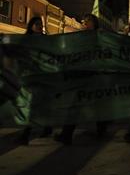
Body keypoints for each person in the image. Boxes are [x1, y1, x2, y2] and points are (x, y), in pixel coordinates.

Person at [54, 14, 108, 145]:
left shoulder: (98, 37)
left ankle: (99, 130)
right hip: (82, 75)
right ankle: (67, 134)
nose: (85, 23)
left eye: (88, 21)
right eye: (85, 21)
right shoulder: (82, 36)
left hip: (92, 76)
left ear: (94, 23)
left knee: (93, 106)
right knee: (77, 106)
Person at [16, 17, 53, 145]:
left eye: (41, 24)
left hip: (42, 76)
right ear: (31, 25)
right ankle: (48, 127)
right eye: (36, 24)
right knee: (36, 104)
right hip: (29, 76)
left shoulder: (46, 40)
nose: (39, 26)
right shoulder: (25, 40)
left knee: (33, 104)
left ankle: (26, 134)